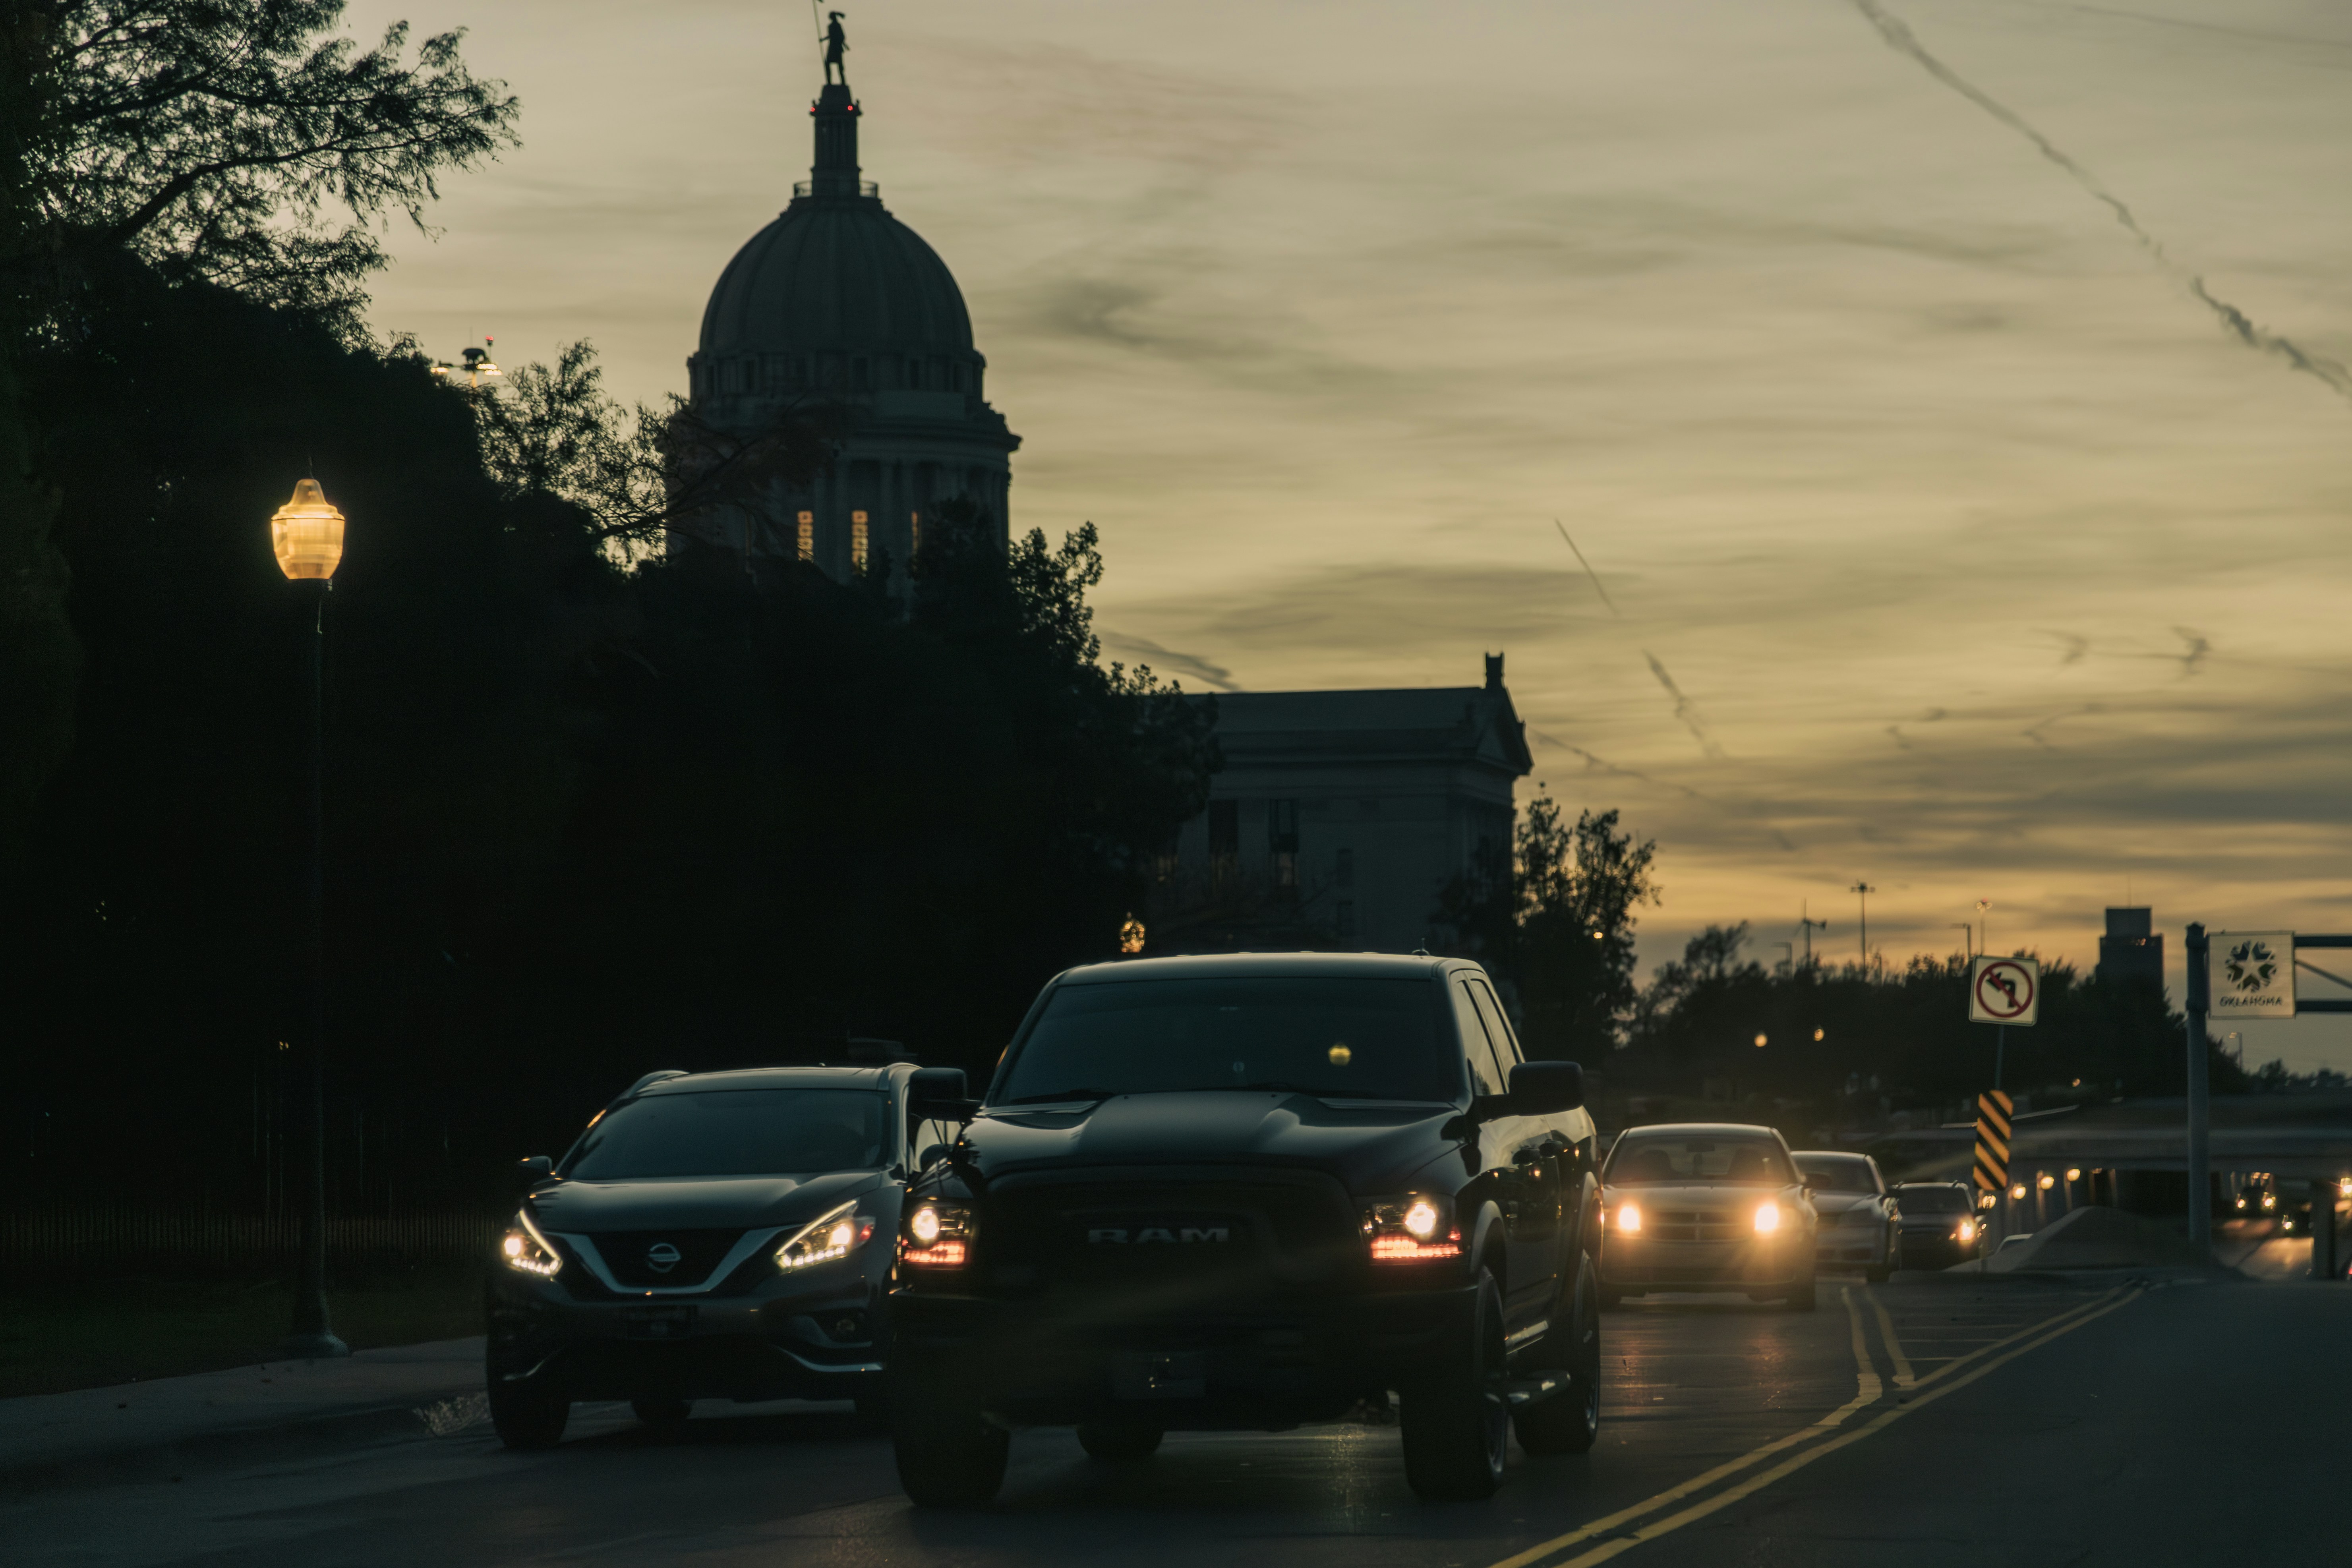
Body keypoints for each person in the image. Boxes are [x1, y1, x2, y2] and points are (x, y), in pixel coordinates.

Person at [824, 12, 849, 85]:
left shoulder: (836, 26)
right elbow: (831, 36)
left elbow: (842, 36)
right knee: (829, 64)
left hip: (836, 48)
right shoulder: (832, 26)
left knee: (839, 66)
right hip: (834, 47)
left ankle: (842, 83)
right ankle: (829, 82)